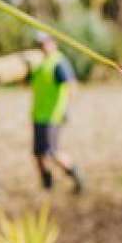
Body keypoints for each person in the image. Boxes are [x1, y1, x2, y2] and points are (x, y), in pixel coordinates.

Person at [28, 33, 83, 193]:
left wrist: (67, 107)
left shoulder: (59, 63)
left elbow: (72, 85)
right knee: (38, 154)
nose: (42, 47)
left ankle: (77, 177)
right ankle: (47, 185)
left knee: (52, 152)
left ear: (53, 43)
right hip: (38, 115)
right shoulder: (40, 63)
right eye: (40, 44)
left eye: (45, 43)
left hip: (53, 116)